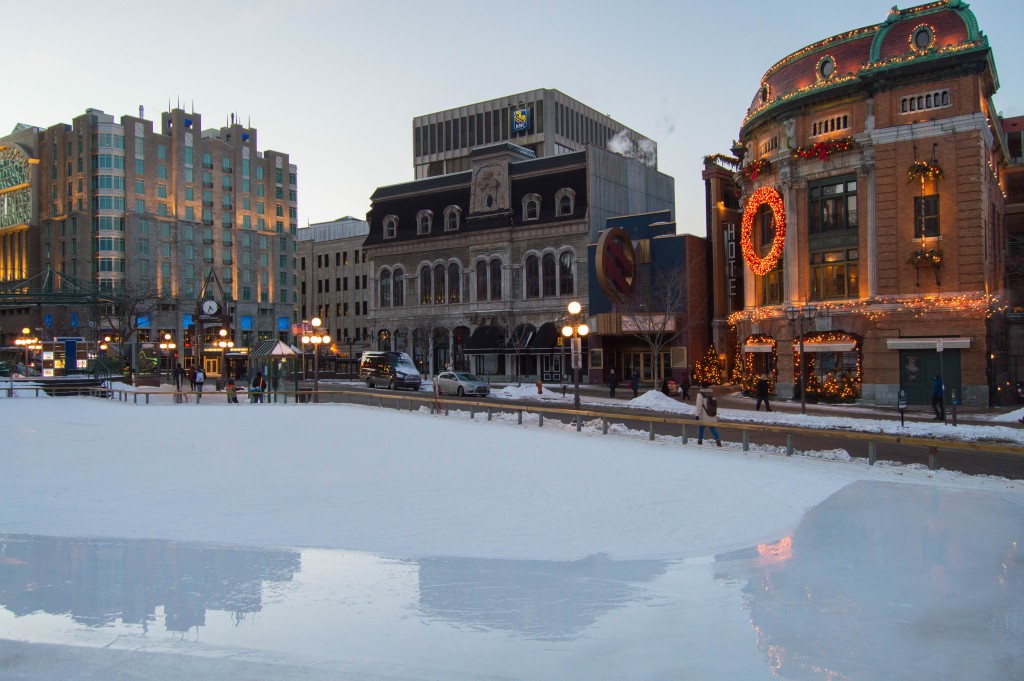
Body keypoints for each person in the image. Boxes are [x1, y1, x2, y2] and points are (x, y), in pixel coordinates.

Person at [695, 382, 722, 446]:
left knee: (701, 429)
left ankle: (699, 442)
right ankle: (718, 441)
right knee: (713, 429)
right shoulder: (711, 393)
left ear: (701, 386)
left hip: (703, 415)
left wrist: (697, 415)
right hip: (711, 414)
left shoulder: (700, 394)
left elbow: (699, 406)